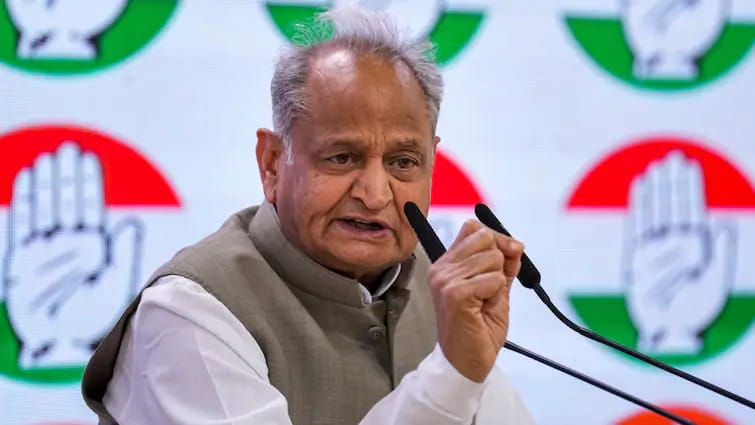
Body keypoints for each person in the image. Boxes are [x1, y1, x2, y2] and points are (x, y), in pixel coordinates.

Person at [81, 5, 535, 425]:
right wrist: (452, 374)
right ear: (272, 164)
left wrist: (462, 362)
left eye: (403, 162)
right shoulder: (191, 311)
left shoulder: (439, 293)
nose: (375, 195)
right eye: (342, 158)